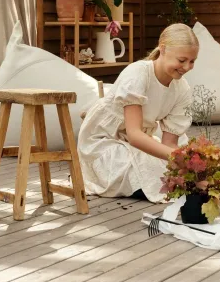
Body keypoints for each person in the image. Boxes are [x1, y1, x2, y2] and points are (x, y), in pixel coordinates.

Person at [78, 24, 199, 202]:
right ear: (163, 49)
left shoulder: (181, 89)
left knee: (173, 167)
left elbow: (169, 143)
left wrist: (183, 164)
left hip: (136, 142)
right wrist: (176, 158)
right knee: (149, 167)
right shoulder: (138, 74)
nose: (187, 67)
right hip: (104, 142)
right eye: (182, 60)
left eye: (192, 61)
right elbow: (134, 135)